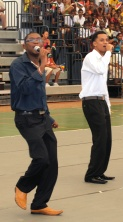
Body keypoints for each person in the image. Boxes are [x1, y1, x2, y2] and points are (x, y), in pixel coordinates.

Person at [9, 32, 63, 215]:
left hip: (41, 118)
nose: (37, 42)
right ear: (25, 46)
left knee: (52, 164)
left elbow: (40, 96)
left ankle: (40, 203)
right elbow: (25, 89)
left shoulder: (38, 65)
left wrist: (48, 117)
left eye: (39, 40)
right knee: (41, 158)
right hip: (26, 118)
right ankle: (22, 187)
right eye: (32, 40)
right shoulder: (18, 65)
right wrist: (41, 66)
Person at [79, 31, 115, 184]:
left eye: (106, 40)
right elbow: (100, 70)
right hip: (91, 101)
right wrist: (108, 54)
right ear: (94, 43)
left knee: (107, 140)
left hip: (101, 101)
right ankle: (91, 174)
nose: (105, 43)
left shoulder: (101, 59)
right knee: (100, 139)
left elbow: (102, 85)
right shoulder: (91, 57)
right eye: (101, 40)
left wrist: (108, 104)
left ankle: (100, 171)